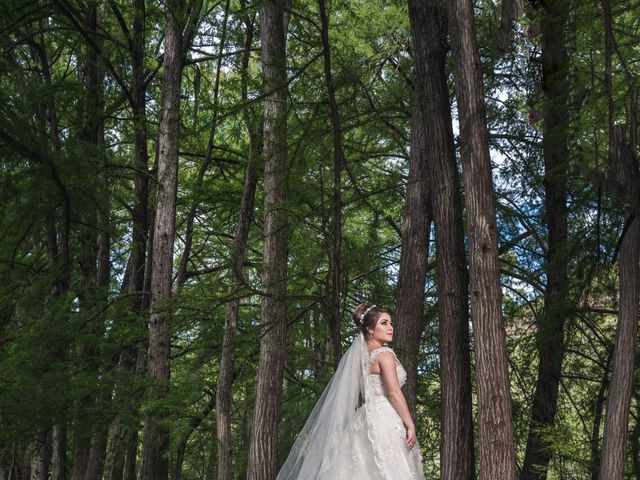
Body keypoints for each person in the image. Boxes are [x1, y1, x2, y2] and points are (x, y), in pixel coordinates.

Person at [276, 303, 425, 480]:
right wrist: (410, 424)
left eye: (391, 323)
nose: (390, 328)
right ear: (370, 329)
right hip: (385, 419)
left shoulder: (360, 358)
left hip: (362, 419)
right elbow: (393, 393)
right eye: (384, 323)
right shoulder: (384, 355)